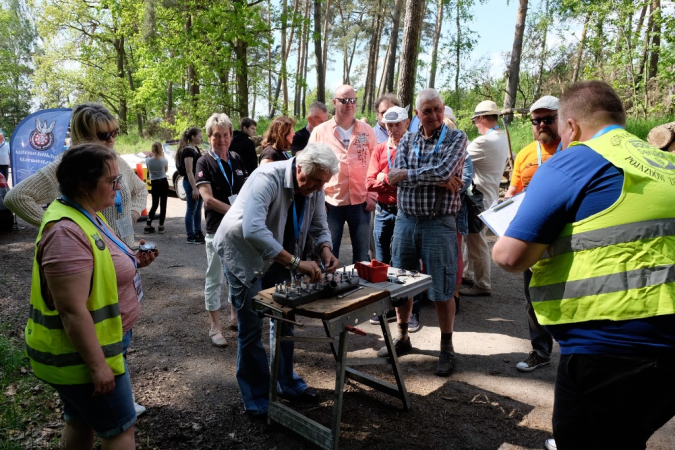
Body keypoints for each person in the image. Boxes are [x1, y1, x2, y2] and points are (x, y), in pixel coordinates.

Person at [493, 81, 675, 450]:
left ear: (571, 126)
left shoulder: (576, 159)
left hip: (610, 349)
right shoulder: (666, 163)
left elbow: (509, 257)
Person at [25, 143, 158, 450]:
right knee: (121, 431)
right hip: (83, 358)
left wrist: (134, 261)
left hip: (90, 351)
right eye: (112, 181)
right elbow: (71, 311)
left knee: (80, 418)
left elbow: (99, 266)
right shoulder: (65, 232)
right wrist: (98, 366)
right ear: (84, 184)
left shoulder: (85, 212)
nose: (119, 186)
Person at [214, 143, 339, 416]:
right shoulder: (267, 177)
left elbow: (319, 225)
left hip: (280, 255)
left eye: (324, 182)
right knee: (251, 328)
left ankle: (286, 383)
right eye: (316, 180)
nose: (319, 187)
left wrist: (325, 250)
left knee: (285, 319)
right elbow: (253, 229)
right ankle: (257, 397)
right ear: (301, 167)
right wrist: (296, 262)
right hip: (244, 254)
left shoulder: (315, 186)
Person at [380, 88, 467, 377]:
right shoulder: (407, 138)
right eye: (427, 111)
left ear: (443, 109)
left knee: (442, 288)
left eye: (437, 109)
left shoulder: (457, 137)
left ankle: (447, 347)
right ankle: (403, 337)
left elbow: (443, 172)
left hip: (439, 222)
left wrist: (411, 175)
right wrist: (435, 178)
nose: (433, 115)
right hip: (405, 220)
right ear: (417, 115)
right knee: (402, 283)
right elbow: (393, 175)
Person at [5, 103, 147, 248]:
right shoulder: (68, 164)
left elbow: (140, 190)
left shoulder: (115, 159)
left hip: (126, 249)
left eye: (115, 132)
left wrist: (132, 216)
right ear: (83, 136)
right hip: (93, 253)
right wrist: (57, 227)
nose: (111, 140)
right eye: (103, 135)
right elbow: (16, 197)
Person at [504, 95, 561, 373]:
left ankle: (579, 356)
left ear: (562, 119)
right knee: (533, 297)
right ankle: (541, 351)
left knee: (576, 295)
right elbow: (513, 190)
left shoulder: (576, 149)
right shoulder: (526, 154)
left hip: (569, 236)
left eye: (548, 119)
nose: (541, 125)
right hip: (534, 237)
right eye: (535, 120)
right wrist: (501, 206)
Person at [365, 105, 421, 330]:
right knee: (382, 261)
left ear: (407, 123)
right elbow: (369, 182)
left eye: (398, 124)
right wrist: (392, 179)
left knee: (406, 265)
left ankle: (412, 312)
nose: (393, 129)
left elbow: (414, 181)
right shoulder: (379, 149)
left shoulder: (415, 147)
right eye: (389, 125)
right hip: (383, 211)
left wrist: (384, 176)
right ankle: (386, 308)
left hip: (406, 212)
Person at [308, 84, 377, 262]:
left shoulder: (367, 131)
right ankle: (329, 288)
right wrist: (318, 199)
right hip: (330, 203)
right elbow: (310, 166)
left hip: (361, 202)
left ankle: (364, 289)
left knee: (362, 256)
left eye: (353, 100)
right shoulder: (320, 131)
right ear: (335, 103)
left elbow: (376, 165)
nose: (350, 104)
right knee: (329, 253)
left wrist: (373, 194)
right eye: (345, 100)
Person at [195, 113, 248, 346]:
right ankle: (214, 328)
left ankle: (234, 316)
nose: (222, 140)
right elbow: (208, 199)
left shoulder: (236, 158)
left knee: (236, 274)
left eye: (226, 135)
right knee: (214, 276)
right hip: (217, 229)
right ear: (209, 137)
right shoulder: (203, 162)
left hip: (237, 229)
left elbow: (246, 191)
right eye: (217, 136)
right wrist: (236, 211)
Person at [460, 100, 509, 297]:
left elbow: (459, 157)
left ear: (481, 118)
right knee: (474, 240)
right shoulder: (502, 138)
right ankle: (470, 274)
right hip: (489, 195)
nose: (475, 125)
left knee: (476, 242)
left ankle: (482, 283)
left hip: (478, 199)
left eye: (475, 121)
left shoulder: (484, 142)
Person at [175, 127, 205, 244]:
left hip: (198, 183)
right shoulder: (188, 151)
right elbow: (189, 171)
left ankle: (198, 232)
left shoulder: (196, 149)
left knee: (198, 210)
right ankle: (190, 235)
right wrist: (194, 188)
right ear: (193, 137)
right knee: (191, 210)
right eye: (199, 136)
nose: (201, 138)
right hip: (191, 183)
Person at [144, 141, 169, 234]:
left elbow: (148, 169)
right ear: (161, 149)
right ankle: (161, 225)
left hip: (154, 182)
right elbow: (166, 171)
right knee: (163, 204)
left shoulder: (148, 160)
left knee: (154, 204)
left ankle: (148, 224)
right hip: (163, 181)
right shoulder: (164, 160)